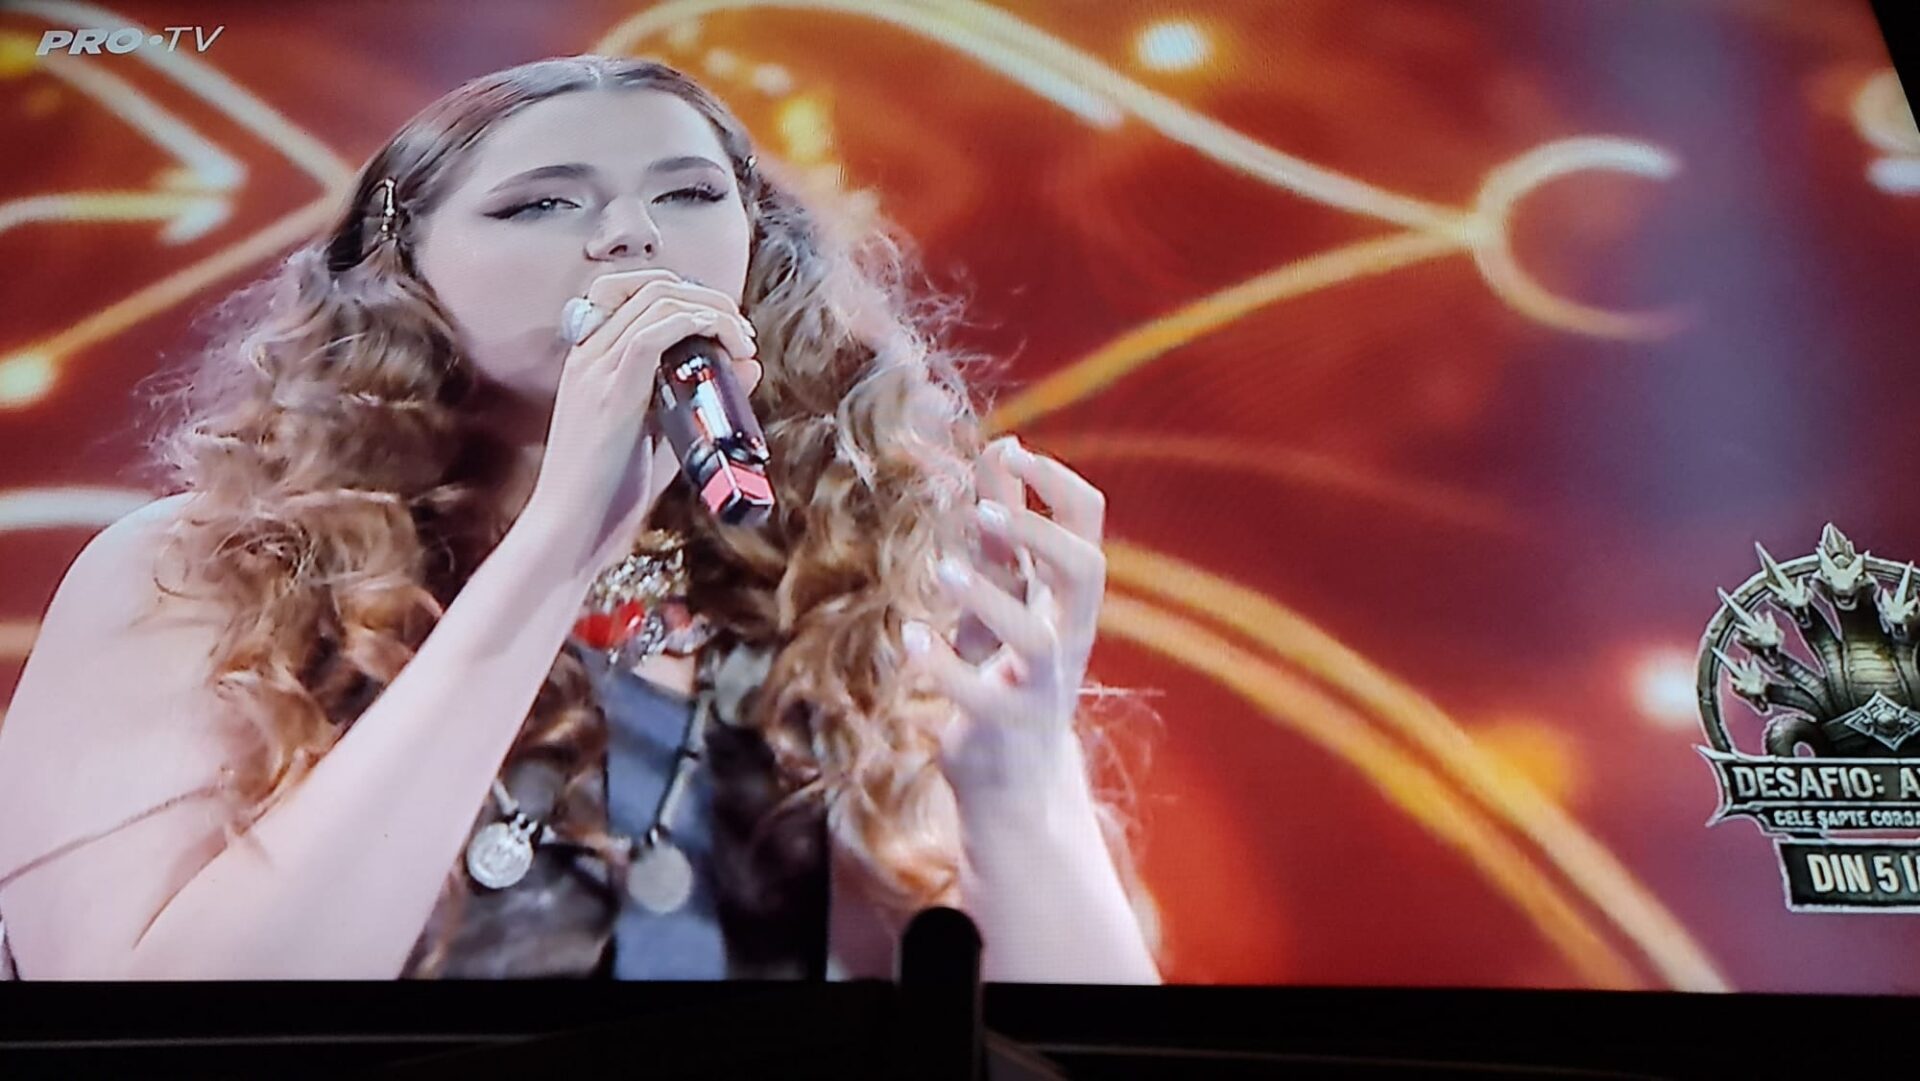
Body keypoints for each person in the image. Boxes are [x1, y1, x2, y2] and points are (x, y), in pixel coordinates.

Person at [0, 55, 1159, 982]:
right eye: (542, 202)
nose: (630, 234)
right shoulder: (199, 577)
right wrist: (557, 543)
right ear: (400, 269)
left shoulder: (839, 593)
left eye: (689, 193)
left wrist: (1018, 780)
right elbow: (142, 1033)